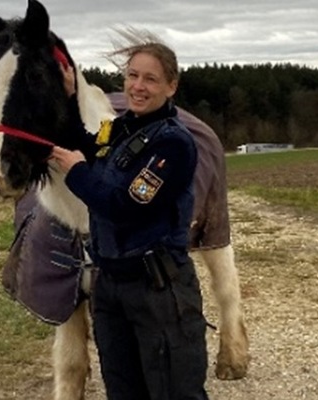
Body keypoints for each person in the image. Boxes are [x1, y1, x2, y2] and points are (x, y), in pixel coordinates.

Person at [49, 34, 209, 399]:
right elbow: (84, 145)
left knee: (174, 392)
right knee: (123, 391)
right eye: (132, 75)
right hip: (110, 288)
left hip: (158, 291)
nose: (137, 87)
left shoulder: (173, 144)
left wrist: (76, 172)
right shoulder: (121, 129)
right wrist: (71, 96)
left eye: (150, 79)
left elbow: (128, 206)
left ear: (171, 86)